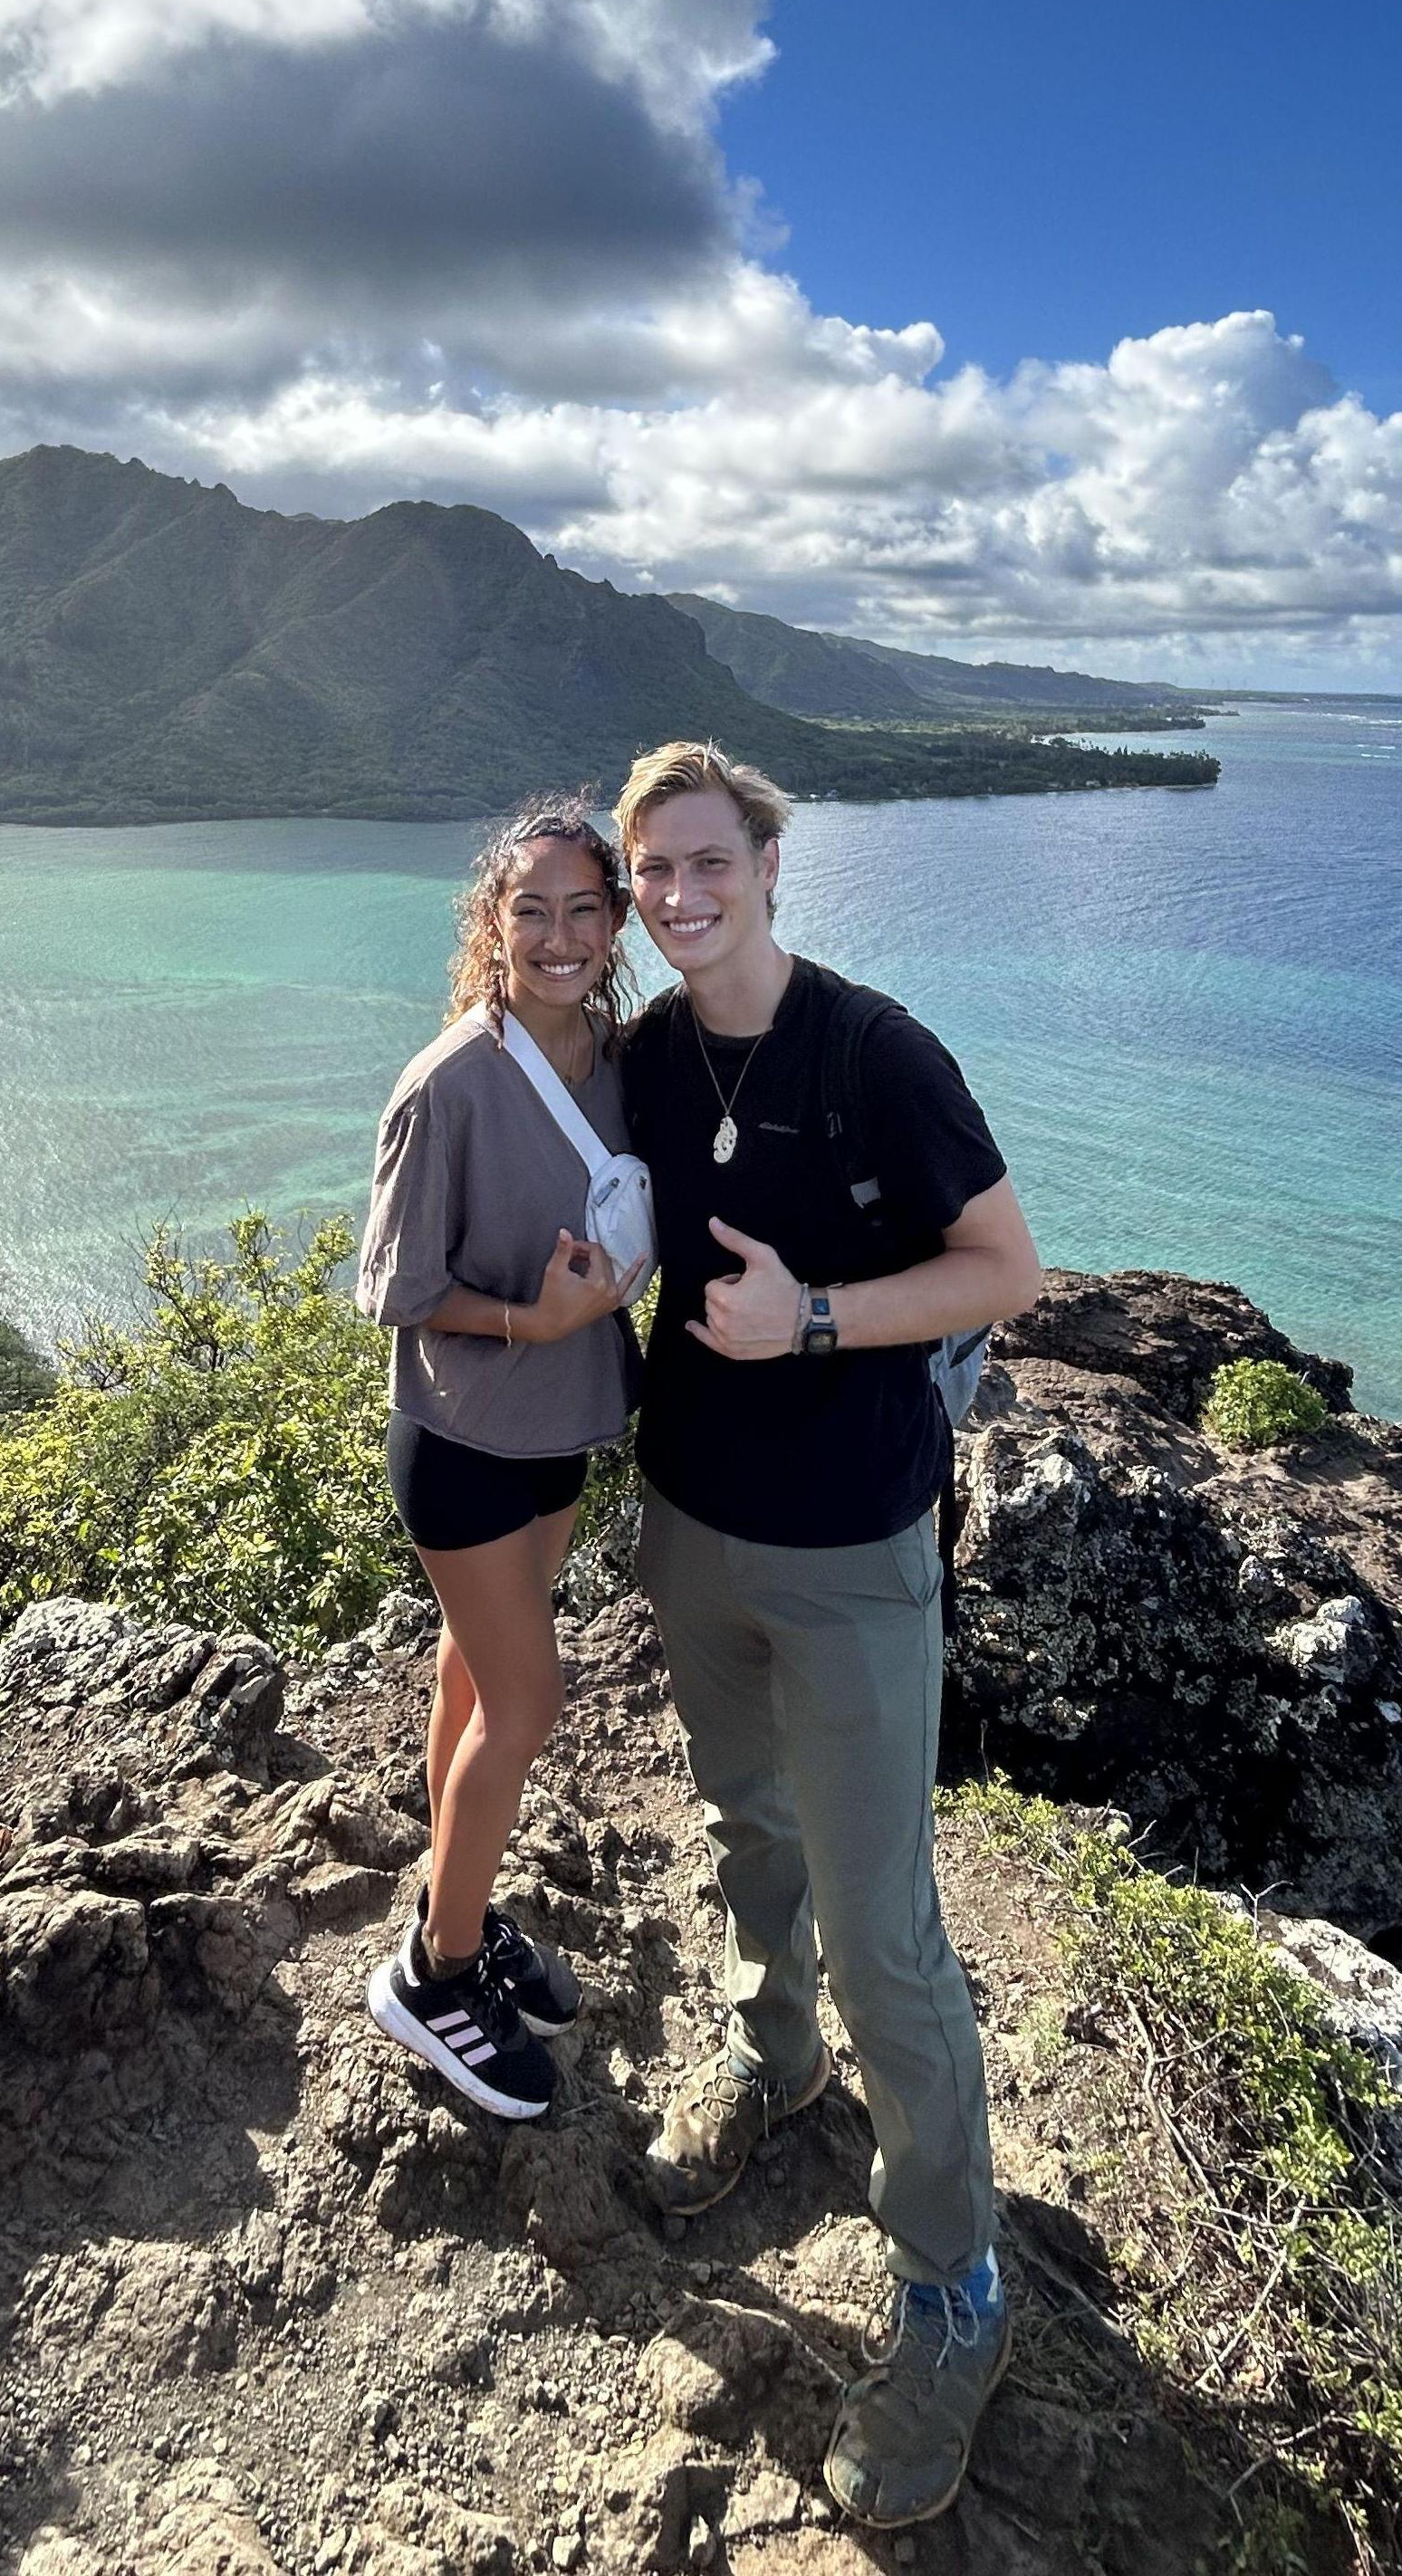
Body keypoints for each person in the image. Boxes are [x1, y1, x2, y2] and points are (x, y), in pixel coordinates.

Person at [613, 740, 1043, 2529]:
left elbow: (1006, 1265)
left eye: (705, 861)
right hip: (691, 1523)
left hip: (856, 1546)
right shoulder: (643, 1054)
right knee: (745, 1826)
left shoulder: (877, 1052)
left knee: (891, 1932)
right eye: (652, 874)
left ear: (770, 864)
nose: (679, 895)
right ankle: (767, 2048)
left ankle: (957, 2284)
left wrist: (812, 1321)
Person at [354, 797, 639, 2121]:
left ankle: (450, 1897)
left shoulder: (621, 1063)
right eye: (531, 908)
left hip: (562, 1430)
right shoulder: (451, 1082)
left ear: (616, 922)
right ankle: (435, 1972)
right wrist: (537, 1316)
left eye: (586, 907)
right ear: (492, 922)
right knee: (530, 1704)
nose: (559, 934)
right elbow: (398, 1289)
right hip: (465, 1438)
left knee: (474, 1684)